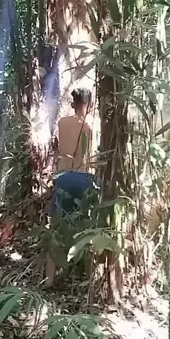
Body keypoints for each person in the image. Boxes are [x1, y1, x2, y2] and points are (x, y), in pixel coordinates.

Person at [44, 87, 99, 287]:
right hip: (85, 178)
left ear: (73, 103)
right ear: (90, 104)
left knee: (56, 229)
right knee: (88, 230)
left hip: (64, 177)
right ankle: (89, 279)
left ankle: (49, 278)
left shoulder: (62, 122)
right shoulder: (92, 126)